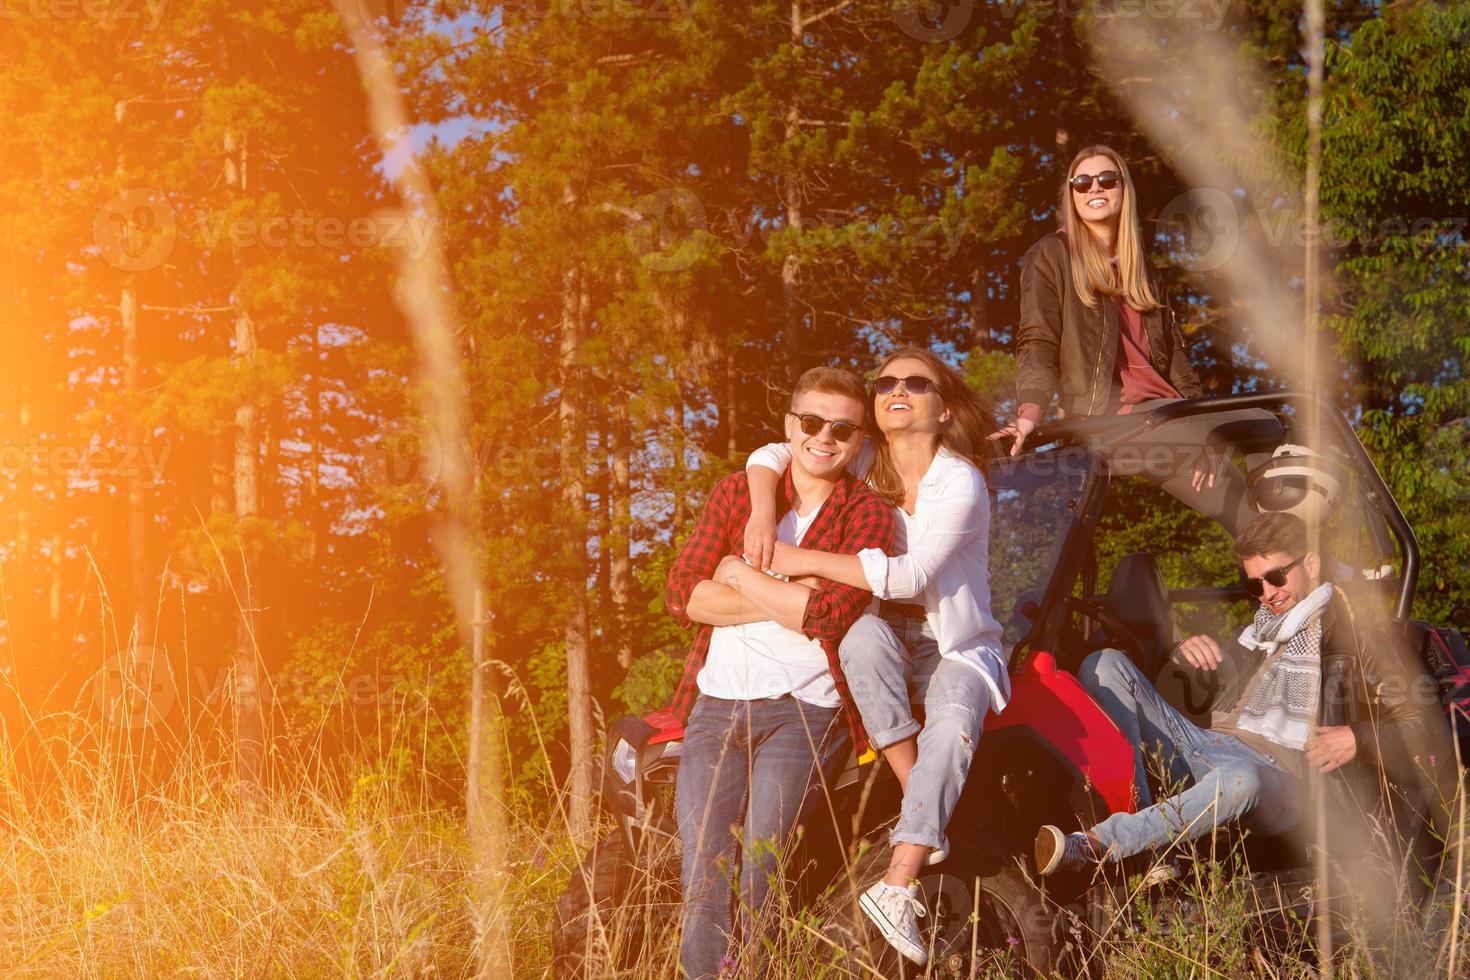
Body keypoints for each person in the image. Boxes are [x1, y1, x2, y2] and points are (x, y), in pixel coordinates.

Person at [743, 348, 1006, 967]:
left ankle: (898, 879)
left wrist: (800, 560)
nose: (898, 389)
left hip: (954, 642)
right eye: (886, 381)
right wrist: (760, 508)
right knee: (858, 637)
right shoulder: (867, 458)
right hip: (886, 636)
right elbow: (774, 452)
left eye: (918, 383)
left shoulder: (960, 480)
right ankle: (930, 812)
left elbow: (913, 577)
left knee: (951, 712)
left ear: (942, 409)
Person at [1035, 511, 1438, 877]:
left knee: (1242, 778)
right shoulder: (1257, 633)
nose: (1267, 593)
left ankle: (1099, 843)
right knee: (1103, 664)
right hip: (1210, 742)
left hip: (1288, 777)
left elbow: (1426, 724)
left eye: (1276, 577)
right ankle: (1146, 839)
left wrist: (1358, 737)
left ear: (1311, 563)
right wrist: (1183, 649)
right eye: (1254, 584)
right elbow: (1216, 693)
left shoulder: (1361, 632)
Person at [665, 367, 896, 980]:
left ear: (858, 439)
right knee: (702, 867)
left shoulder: (869, 514)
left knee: (764, 869)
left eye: (842, 428)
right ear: (790, 427)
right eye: (812, 422)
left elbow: (833, 615)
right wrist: (783, 589)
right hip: (715, 706)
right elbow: (685, 594)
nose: (825, 437)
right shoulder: (738, 495)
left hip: (805, 711)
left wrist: (737, 574)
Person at [989, 143, 1280, 537]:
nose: (1095, 189)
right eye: (1082, 182)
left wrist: (1202, 428)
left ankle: (1306, 578)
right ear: (1071, 195)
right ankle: (1300, 556)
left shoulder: (1143, 267)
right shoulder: (1052, 255)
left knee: (1248, 516)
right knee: (1262, 422)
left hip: (1170, 419)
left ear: (1123, 188)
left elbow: (1176, 355)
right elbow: (1039, 339)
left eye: (1107, 179)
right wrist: (1029, 415)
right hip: (1114, 424)